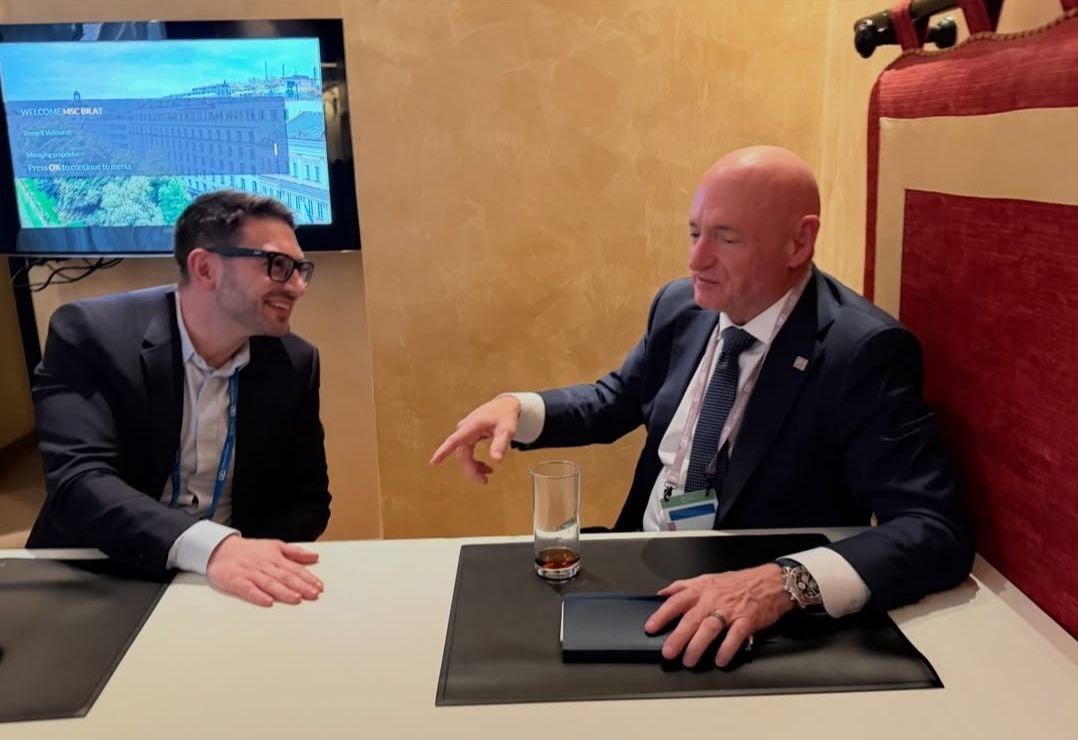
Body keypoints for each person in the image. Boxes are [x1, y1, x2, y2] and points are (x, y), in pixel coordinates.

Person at [432, 146, 973, 667]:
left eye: (726, 239)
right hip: (638, 560)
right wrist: (517, 407)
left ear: (799, 242)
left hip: (741, 602)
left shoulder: (862, 351)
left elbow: (933, 528)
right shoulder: (680, 306)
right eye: (694, 233)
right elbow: (616, 399)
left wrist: (781, 583)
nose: (696, 260)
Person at [29, 190, 331, 607]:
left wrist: (249, 561)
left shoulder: (294, 362)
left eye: (301, 270)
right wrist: (211, 549)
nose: (298, 286)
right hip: (100, 569)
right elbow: (79, 482)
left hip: (226, 584)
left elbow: (307, 500)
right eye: (278, 266)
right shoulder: (92, 334)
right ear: (206, 268)